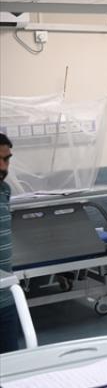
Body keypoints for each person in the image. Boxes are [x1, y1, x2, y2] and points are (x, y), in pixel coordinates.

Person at [0, 132, 21, 352]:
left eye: (6, 159)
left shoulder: (4, 190)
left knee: (11, 362)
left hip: (5, 297)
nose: (3, 167)